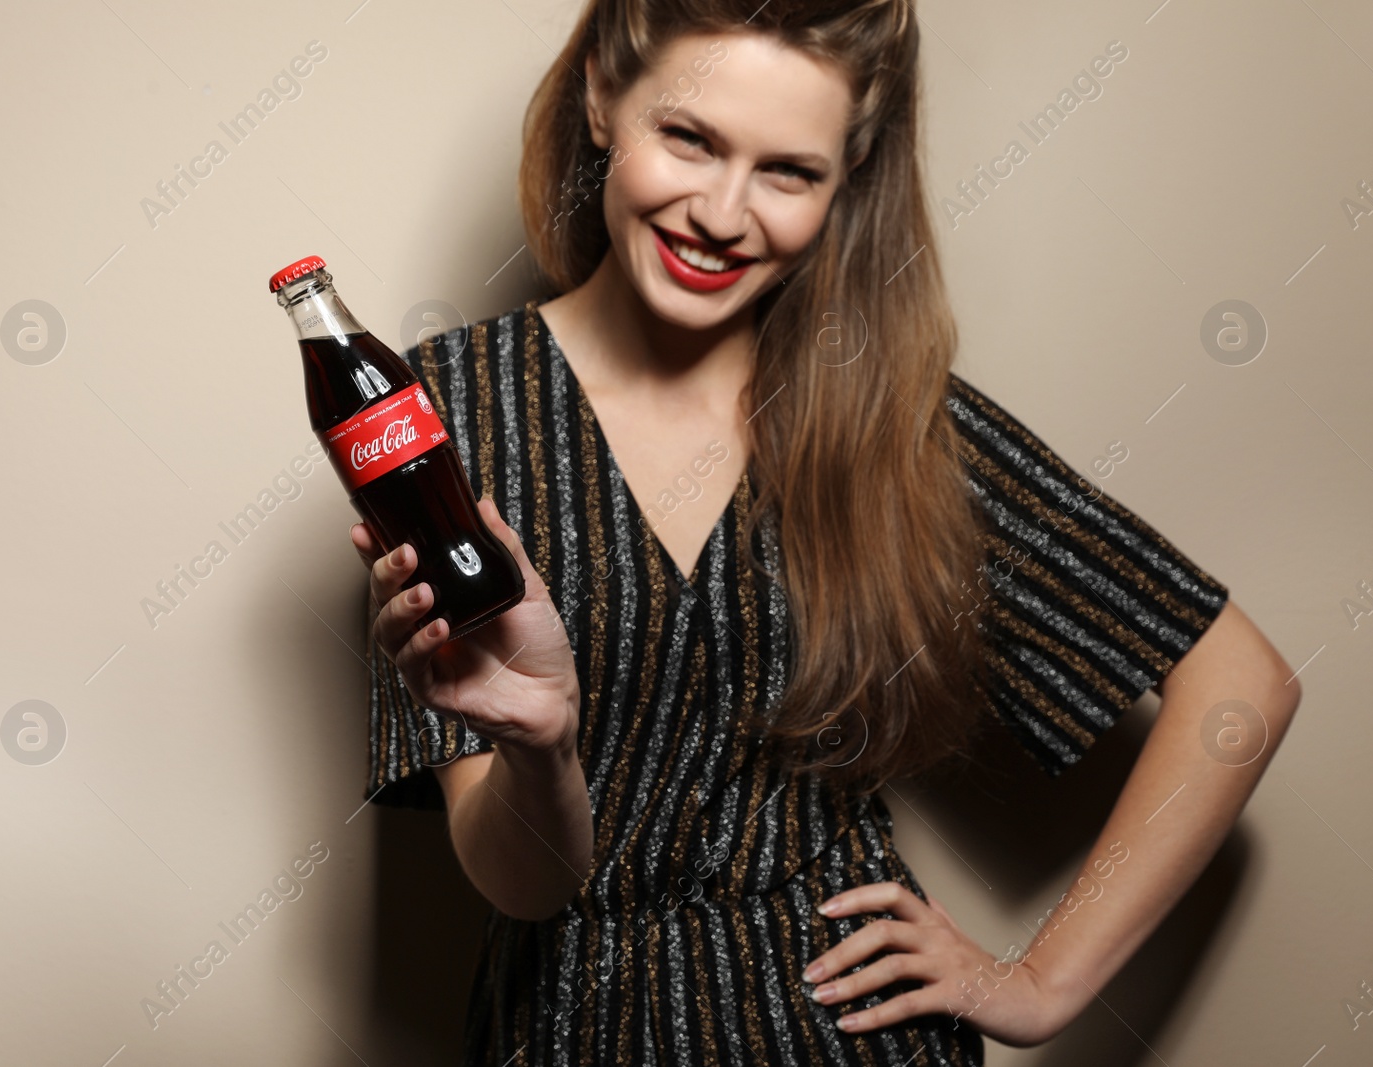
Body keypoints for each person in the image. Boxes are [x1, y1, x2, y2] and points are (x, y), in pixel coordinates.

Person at [349, 1, 1302, 1063]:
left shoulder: (883, 416)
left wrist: (1036, 983)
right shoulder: (431, 418)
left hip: (850, 1036)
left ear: (845, 179)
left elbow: (1242, 684)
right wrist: (542, 745)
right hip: (573, 1025)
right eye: (690, 138)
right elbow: (523, 885)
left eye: (788, 172)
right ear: (601, 100)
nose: (722, 211)